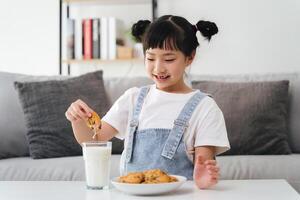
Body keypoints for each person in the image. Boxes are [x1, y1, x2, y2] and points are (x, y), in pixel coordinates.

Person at [65, 15, 230, 189]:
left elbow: (203, 161)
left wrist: (203, 178)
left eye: (168, 59)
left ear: (190, 57)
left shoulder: (205, 108)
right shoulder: (133, 99)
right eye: (150, 58)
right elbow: (95, 139)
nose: (158, 68)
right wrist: (77, 121)